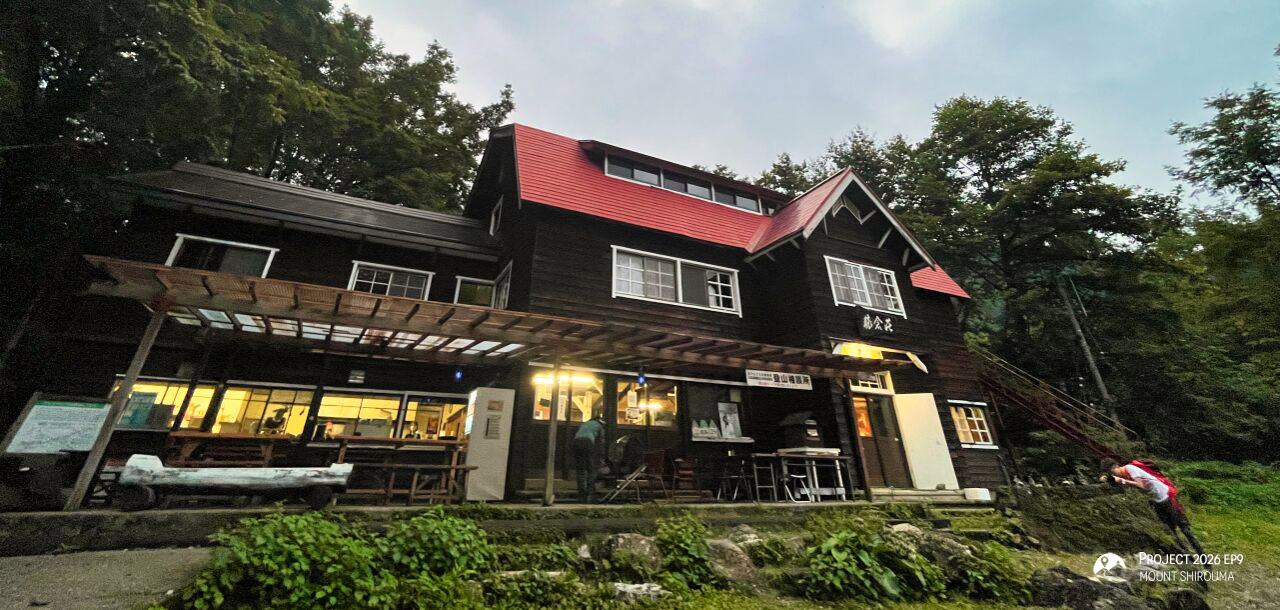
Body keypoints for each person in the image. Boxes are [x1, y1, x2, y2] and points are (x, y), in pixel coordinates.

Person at [1107, 459, 1205, 555]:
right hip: (1158, 502)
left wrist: (1123, 481)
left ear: (1116, 466)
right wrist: (1112, 479)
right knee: (1171, 531)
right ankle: (1187, 556)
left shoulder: (1130, 468)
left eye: (1113, 471)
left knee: (1184, 529)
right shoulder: (1124, 475)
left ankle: (1203, 558)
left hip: (1167, 497)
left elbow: (1141, 485)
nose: (1115, 474)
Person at [572, 412, 606, 503]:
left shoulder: (585, 424)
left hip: (576, 442)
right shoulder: (599, 426)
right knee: (591, 469)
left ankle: (581, 495)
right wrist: (601, 457)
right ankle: (590, 495)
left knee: (581, 470)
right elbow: (601, 442)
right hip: (588, 443)